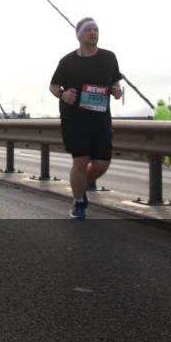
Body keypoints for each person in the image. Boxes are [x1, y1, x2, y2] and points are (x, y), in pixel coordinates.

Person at [49, 17, 123, 220]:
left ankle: (78, 187)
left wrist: (117, 90)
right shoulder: (67, 61)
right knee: (80, 162)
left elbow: (115, 81)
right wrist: (63, 94)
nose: (94, 33)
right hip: (75, 119)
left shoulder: (109, 57)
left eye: (96, 29)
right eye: (89, 30)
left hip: (100, 119)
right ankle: (78, 202)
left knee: (101, 164)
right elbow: (54, 86)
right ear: (79, 35)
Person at [153, 98, 171, 167]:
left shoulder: (156, 110)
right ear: (164, 103)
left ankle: (156, 160)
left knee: (157, 145)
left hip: (158, 130)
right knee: (166, 146)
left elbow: (154, 118)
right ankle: (167, 161)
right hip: (167, 130)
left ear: (158, 104)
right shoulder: (168, 110)